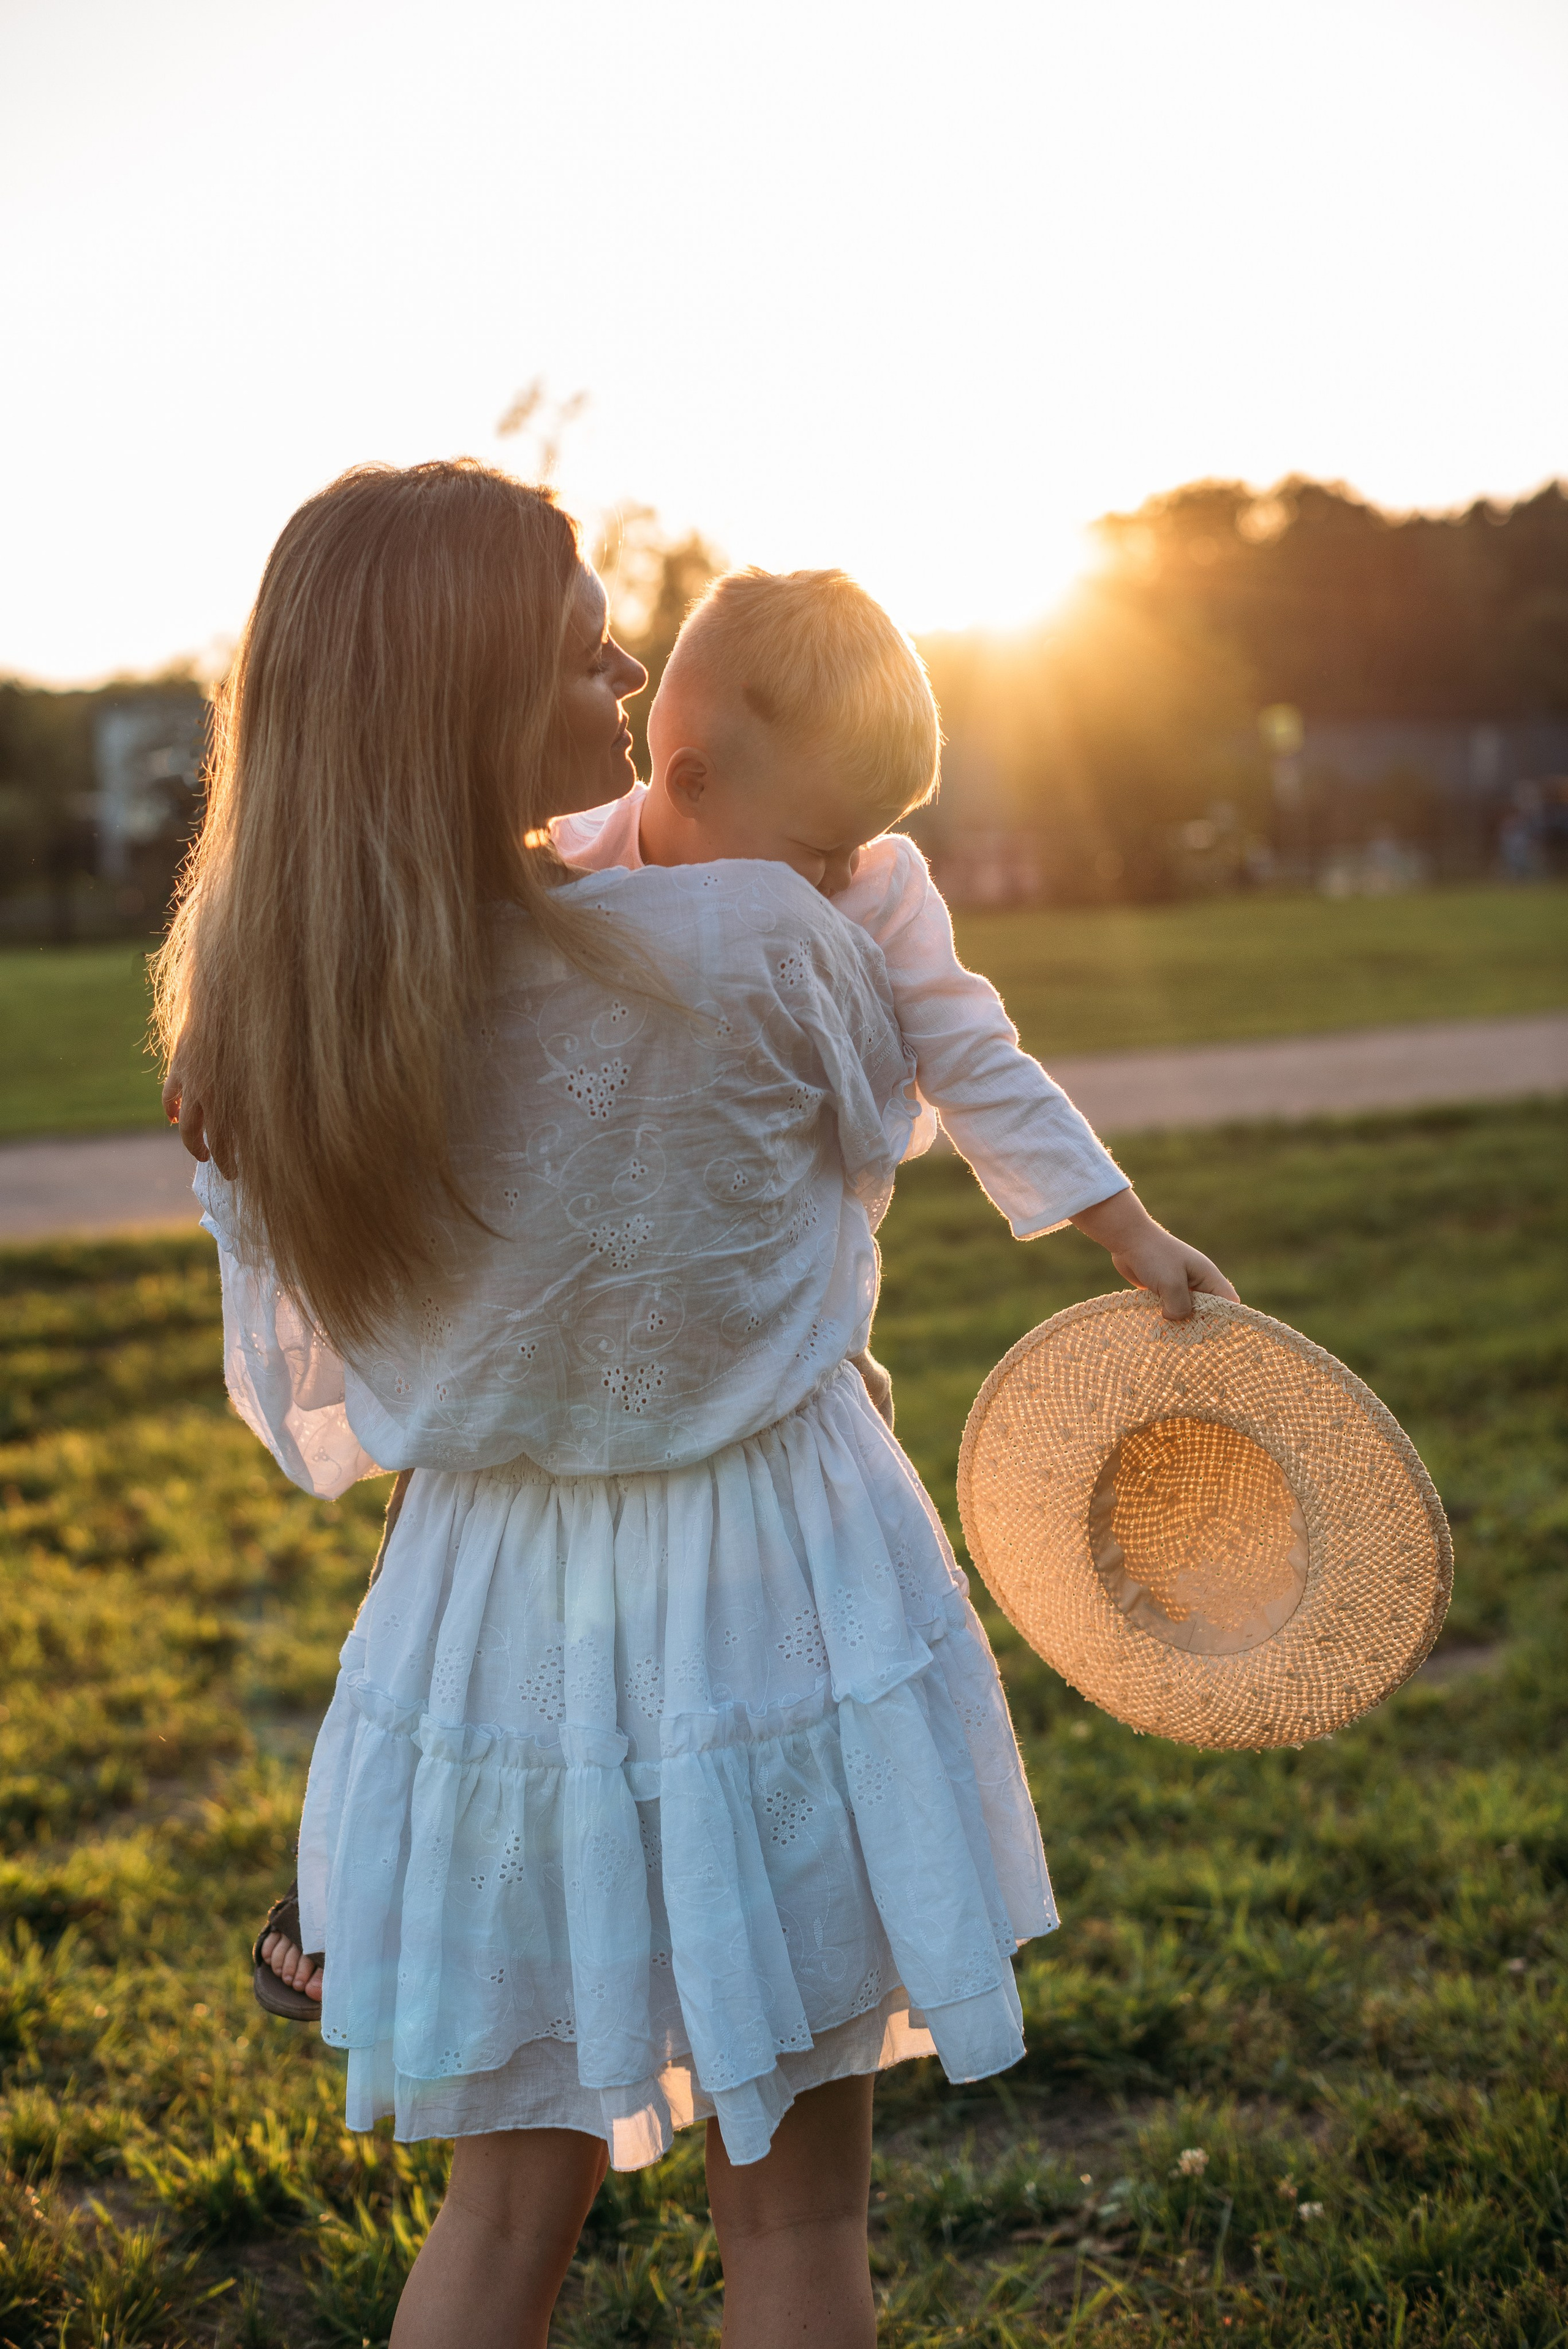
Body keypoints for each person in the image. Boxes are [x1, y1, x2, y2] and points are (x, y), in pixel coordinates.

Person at [159, 459, 1232, 2349]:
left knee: (499, 2219)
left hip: (496, 1625)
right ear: (468, 700)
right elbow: (873, 1123)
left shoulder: (301, 1020)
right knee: (798, 2224)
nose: (633, 674)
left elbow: (324, 1381)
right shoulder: (771, 940)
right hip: (776, 1583)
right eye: (590, 656)